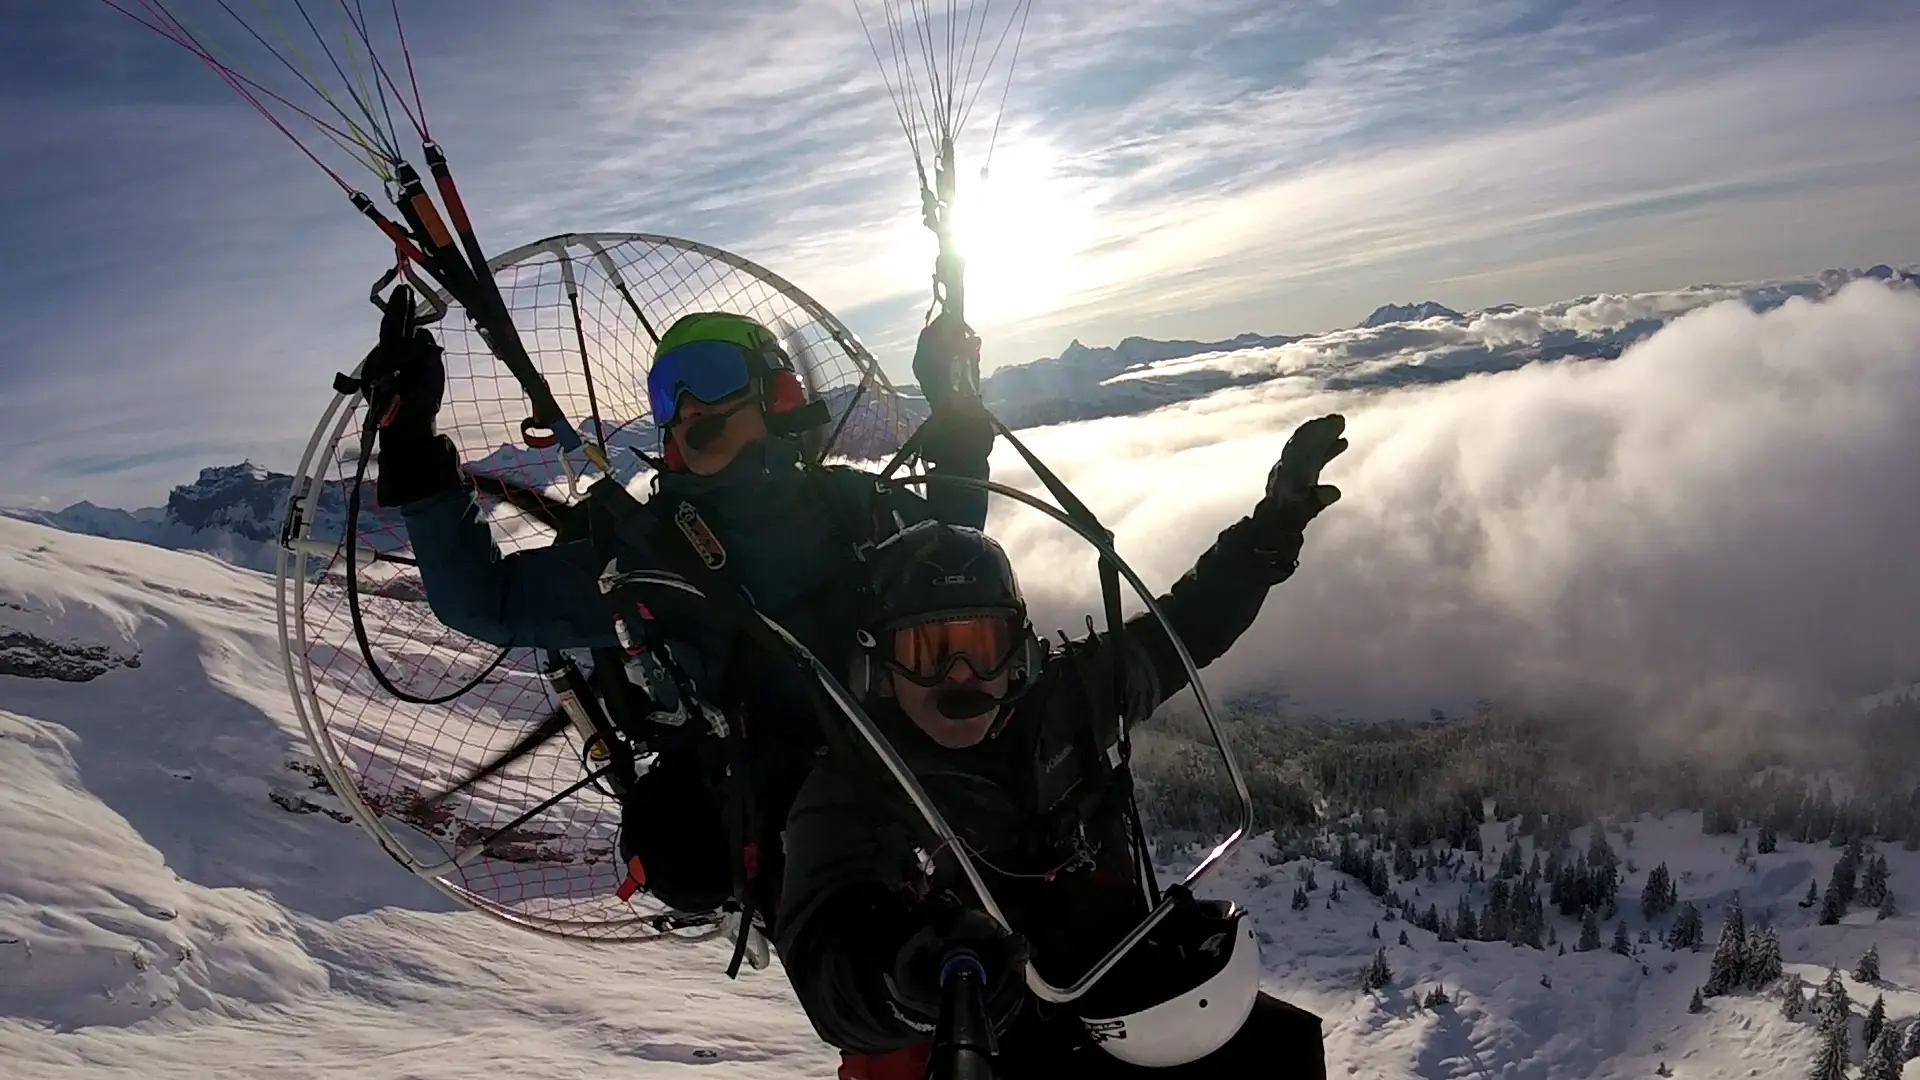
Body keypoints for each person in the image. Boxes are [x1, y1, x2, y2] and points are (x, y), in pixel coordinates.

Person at [359, 295, 994, 930]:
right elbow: (481, 600)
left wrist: (955, 405)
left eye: (712, 375)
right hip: (787, 849)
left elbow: (949, 551)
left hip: (915, 802)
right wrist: (410, 437)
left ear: (778, 395)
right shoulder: (643, 553)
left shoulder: (854, 510)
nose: (689, 405)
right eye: (669, 393)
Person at [775, 414, 1347, 1079]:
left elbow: (1188, 627)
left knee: (1280, 1049)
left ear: (1017, 654)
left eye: (981, 648)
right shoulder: (856, 785)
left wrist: (1270, 532)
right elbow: (826, 964)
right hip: (987, 1031)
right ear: (879, 665)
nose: (960, 678)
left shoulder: (1069, 706)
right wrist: (905, 978)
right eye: (928, 651)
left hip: (1118, 987)